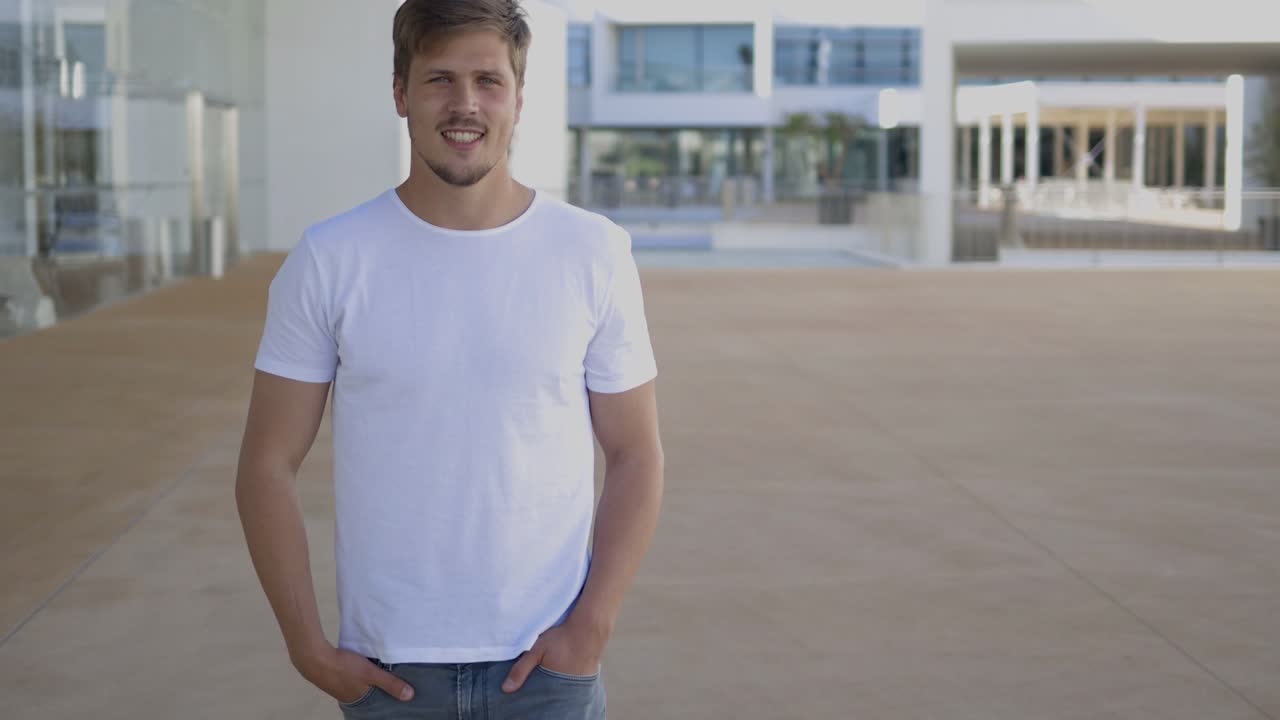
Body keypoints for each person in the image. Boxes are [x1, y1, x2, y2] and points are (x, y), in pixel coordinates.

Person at [233, 1, 664, 717]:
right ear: (400, 93)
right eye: (439, 80)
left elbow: (636, 453)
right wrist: (307, 646)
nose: (465, 104)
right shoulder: (332, 259)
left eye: (488, 81)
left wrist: (592, 626)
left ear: (519, 99)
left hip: (546, 673)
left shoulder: (594, 252)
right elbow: (266, 464)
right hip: (389, 675)